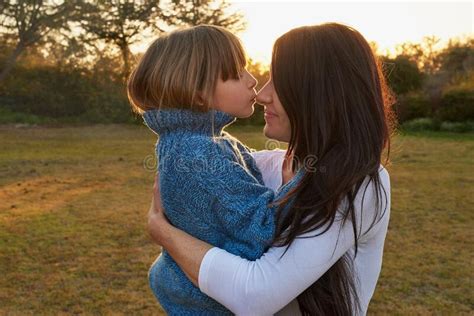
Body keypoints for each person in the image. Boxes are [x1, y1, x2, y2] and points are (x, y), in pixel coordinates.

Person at [147, 23, 396, 315]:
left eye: (279, 83)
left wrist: (164, 233)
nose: (262, 94)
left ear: (317, 93)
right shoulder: (256, 164)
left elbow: (254, 296)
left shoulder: (358, 182)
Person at [126, 25, 304, 315]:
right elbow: (262, 229)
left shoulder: (190, 140)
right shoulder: (199, 151)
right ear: (199, 95)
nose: (252, 81)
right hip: (213, 303)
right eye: (237, 75)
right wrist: (291, 185)